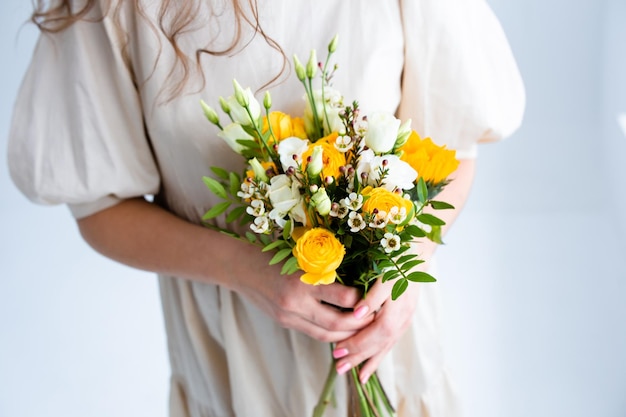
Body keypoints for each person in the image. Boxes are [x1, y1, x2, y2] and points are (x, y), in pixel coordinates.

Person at [8, 0, 525, 416]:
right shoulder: (115, 8)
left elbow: (453, 153)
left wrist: (405, 264)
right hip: (234, 364)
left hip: (387, 352)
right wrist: (243, 269)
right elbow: (100, 208)